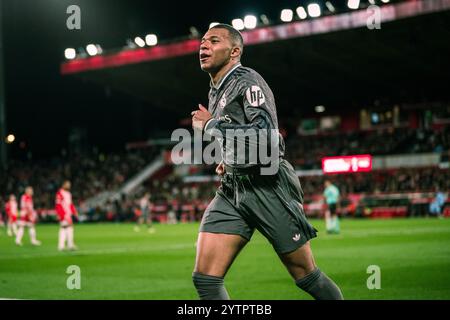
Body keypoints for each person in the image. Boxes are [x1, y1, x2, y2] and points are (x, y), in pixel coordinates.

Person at [190, 24, 343, 300]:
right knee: (206, 279)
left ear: (235, 51)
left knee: (307, 277)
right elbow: (241, 135)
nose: (204, 46)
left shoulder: (247, 82)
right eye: (202, 41)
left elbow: (266, 139)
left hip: (268, 184)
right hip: (232, 188)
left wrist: (211, 124)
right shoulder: (216, 89)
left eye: (213, 41)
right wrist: (229, 158)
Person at [55, 180, 78, 251]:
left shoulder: (68, 193)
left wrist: (74, 211)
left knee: (68, 228)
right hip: (63, 213)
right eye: (67, 184)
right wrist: (59, 214)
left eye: (69, 184)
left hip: (68, 214)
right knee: (65, 227)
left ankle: (68, 244)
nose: (69, 186)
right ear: (63, 185)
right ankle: (63, 245)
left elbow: (70, 204)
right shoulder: (60, 193)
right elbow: (58, 204)